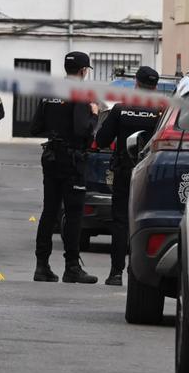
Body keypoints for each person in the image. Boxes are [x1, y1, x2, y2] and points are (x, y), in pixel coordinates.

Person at [30, 51, 100, 284]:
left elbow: (35, 127)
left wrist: (56, 130)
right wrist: (94, 116)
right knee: (73, 214)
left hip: (51, 156)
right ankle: (72, 267)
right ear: (82, 71)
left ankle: (42, 266)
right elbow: (82, 129)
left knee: (49, 211)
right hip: (72, 160)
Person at [95, 66, 162, 286]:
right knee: (146, 222)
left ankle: (115, 273)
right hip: (151, 176)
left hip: (124, 172)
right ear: (155, 87)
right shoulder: (161, 114)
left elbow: (102, 139)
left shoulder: (120, 110)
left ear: (136, 83)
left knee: (120, 222)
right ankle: (139, 273)